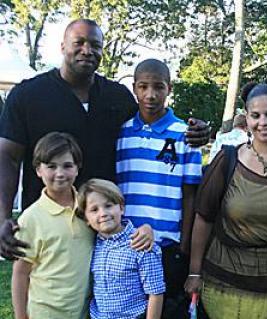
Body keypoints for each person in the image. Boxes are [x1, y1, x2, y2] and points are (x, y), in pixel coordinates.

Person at [0, 18, 210, 260]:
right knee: (49, 293)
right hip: (49, 224)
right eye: (78, 42)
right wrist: (3, 216)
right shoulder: (28, 96)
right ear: (62, 46)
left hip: (109, 230)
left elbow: (151, 123)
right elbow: (8, 157)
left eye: (95, 45)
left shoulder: (118, 98)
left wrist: (195, 130)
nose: (87, 50)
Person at [184, 83, 267, 319]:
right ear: (247, 117)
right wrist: (194, 272)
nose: (263, 122)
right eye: (256, 116)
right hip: (221, 290)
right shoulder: (227, 160)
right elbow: (204, 218)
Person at [116, 59, 203, 318]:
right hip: (125, 244)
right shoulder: (121, 133)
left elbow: (190, 194)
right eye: (143, 87)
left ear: (169, 88)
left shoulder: (184, 134)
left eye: (158, 87)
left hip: (166, 246)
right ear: (134, 88)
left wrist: (184, 245)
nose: (150, 94)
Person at [11, 132, 93, 319]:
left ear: (77, 168)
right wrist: (20, 316)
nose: (60, 173)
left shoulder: (88, 208)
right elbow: (20, 273)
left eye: (67, 166)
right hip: (44, 313)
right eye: (51, 166)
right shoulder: (31, 218)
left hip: (83, 311)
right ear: (38, 170)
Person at [76, 179, 165, 319]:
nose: (103, 213)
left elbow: (156, 293)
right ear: (86, 218)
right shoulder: (92, 244)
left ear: (121, 208)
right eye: (94, 210)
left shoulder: (141, 244)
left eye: (108, 206)